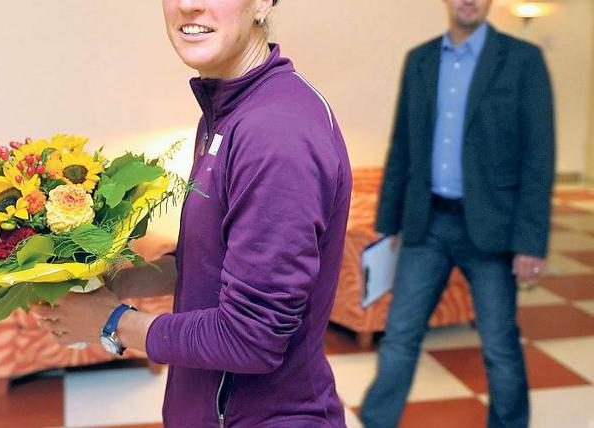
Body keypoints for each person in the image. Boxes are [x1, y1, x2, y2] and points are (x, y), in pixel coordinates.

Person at [33, 0, 352, 426]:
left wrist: (111, 323)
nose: (188, 4)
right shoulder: (227, 111)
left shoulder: (276, 130)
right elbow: (212, 263)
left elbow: (250, 338)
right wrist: (121, 278)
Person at [360, 0, 555, 427]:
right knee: (399, 337)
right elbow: (403, 146)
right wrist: (388, 224)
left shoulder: (523, 61)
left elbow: (539, 158)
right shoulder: (421, 60)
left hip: (492, 229)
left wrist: (530, 243)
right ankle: (376, 422)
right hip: (426, 223)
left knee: (499, 344)